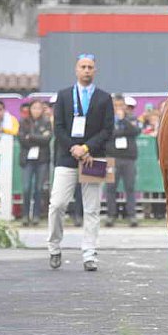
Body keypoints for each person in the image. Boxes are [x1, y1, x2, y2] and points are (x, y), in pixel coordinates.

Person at [47, 53, 114, 271]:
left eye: (90, 67)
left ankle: (89, 253)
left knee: (92, 208)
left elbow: (107, 129)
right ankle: (54, 247)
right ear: (76, 70)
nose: (86, 70)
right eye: (83, 66)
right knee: (57, 204)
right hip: (67, 157)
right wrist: (74, 148)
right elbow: (58, 127)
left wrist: (86, 148)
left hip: (93, 157)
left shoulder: (104, 98)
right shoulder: (64, 96)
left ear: (95, 71)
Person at [105, 94, 141, 227]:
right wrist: (123, 132)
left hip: (128, 159)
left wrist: (123, 121)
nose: (118, 108)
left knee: (130, 188)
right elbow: (107, 134)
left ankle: (131, 216)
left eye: (121, 106)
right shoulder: (107, 119)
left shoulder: (131, 118)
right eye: (116, 106)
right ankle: (110, 216)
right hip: (112, 157)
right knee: (110, 188)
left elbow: (136, 131)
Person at [18, 99, 52, 226]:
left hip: (42, 159)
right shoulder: (23, 122)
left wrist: (31, 136)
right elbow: (22, 139)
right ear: (30, 109)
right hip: (27, 159)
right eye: (34, 108)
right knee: (26, 188)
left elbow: (47, 139)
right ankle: (25, 215)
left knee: (38, 188)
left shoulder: (47, 122)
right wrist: (39, 137)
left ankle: (37, 215)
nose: (36, 111)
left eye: (39, 108)